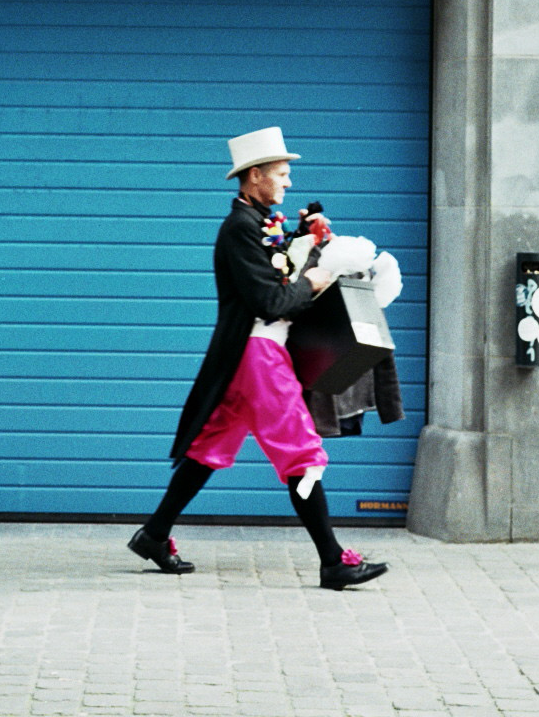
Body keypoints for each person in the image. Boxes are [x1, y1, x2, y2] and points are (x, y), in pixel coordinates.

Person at [127, 127, 388, 590]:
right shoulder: (239, 229)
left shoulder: (258, 224)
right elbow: (270, 301)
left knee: (208, 448)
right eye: (281, 174)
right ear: (254, 176)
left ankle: (154, 534)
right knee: (302, 453)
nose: (288, 182)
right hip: (259, 355)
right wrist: (314, 280)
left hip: (249, 355)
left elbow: (276, 270)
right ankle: (333, 561)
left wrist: (305, 239)